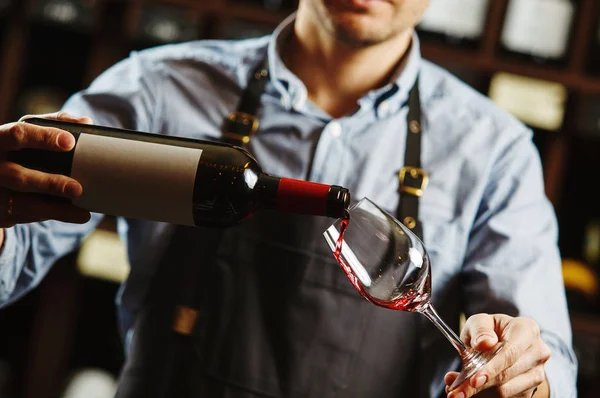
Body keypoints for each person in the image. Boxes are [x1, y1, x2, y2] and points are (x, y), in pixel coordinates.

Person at [0, 0, 578, 397]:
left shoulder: (496, 152)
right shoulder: (158, 88)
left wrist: (525, 372)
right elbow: (19, 246)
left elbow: (541, 350)